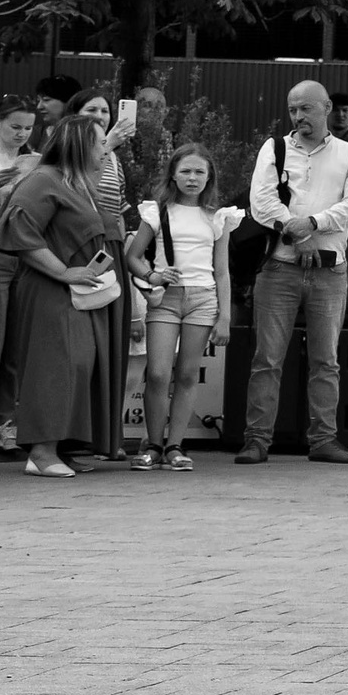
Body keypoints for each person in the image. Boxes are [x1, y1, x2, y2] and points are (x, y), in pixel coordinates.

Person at [239, 80, 348, 466]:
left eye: (306, 109)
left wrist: (311, 223)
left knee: (325, 360)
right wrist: (297, 231)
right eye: (293, 109)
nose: (298, 117)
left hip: (330, 272)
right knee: (267, 359)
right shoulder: (274, 148)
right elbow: (260, 202)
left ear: (326, 107)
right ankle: (256, 440)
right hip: (279, 267)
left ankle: (324, 440)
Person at [0, 115, 113, 477]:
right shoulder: (43, 180)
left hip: (76, 292)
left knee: (78, 363)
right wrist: (63, 271)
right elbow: (18, 228)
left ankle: (61, 445)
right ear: (80, 145)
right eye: (100, 142)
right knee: (54, 365)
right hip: (49, 289)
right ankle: (41, 452)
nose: (105, 149)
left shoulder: (76, 184)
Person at [126, 144, 238, 471]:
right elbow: (132, 256)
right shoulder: (157, 212)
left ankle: (175, 446)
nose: (192, 178)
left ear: (209, 177)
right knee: (159, 373)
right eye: (185, 171)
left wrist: (225, 317)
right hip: (166, 298)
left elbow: (221, 270)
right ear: (173, 174)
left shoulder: (218, 217)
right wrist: (153, 275)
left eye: (199, 172)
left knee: (187, 374)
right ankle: (153, 445)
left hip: (203, 299)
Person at [70, 89, 138, 460]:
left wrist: (127, 256)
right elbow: (76, 191)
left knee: (111, 347)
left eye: (105, 111)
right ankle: (74, 437)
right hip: (81, 247)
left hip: (111, 249)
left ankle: (106, 437)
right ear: (75, 116)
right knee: (86, 347)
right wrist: (106, 145)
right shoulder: (74, 152)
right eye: (91, 110)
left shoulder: (114, 158)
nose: (100, 115)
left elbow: (119, 208)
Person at [0, 93, 39, 453]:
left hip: (26, 258)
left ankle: (5, 421)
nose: (22, 133)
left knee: (14, 349)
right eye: (15, 126)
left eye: (28, 127)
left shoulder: (37, 162)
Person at [30, 75, 80, 148]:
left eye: (46, 100)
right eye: (38, 100)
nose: (39, 107)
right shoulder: (35, 133)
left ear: (69, 101)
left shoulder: (83, 134)